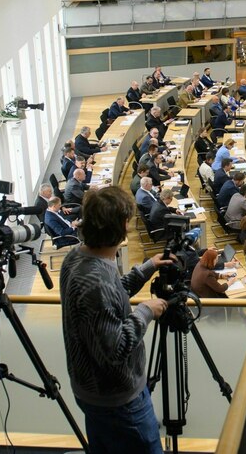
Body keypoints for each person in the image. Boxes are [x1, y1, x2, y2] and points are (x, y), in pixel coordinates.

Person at [59, 187, 172, 454]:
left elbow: (111, 297)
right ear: (122, 226)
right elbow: (115, 349)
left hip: (93, 389)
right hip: (116, 398)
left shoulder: (77, 257)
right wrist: (145, 311)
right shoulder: (96, 281)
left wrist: (147, 268)